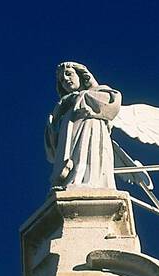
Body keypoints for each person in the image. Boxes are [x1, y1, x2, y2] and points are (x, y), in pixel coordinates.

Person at [45, 61, 122, 189]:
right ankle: (69, 181)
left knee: (88, 157)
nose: (66, 80)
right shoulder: (64, 107)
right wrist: (55, 119)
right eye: (62, 80)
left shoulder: (100, 92)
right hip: (70, 139)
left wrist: (79, 98)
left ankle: (86, 182)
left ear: (82, 75)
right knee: (74, 159)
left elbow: (111, 103)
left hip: (91, 129)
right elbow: (53, 150)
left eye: (69, 74)